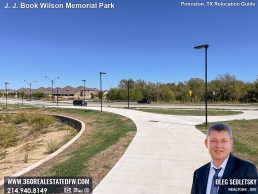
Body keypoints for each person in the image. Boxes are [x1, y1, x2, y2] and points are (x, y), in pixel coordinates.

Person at [191, 123, 257, 194]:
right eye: (214, 140)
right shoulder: (199, 173)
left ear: (231, 143)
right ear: (206, 143)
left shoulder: (246, 170)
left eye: (224, 141)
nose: (219, 145)